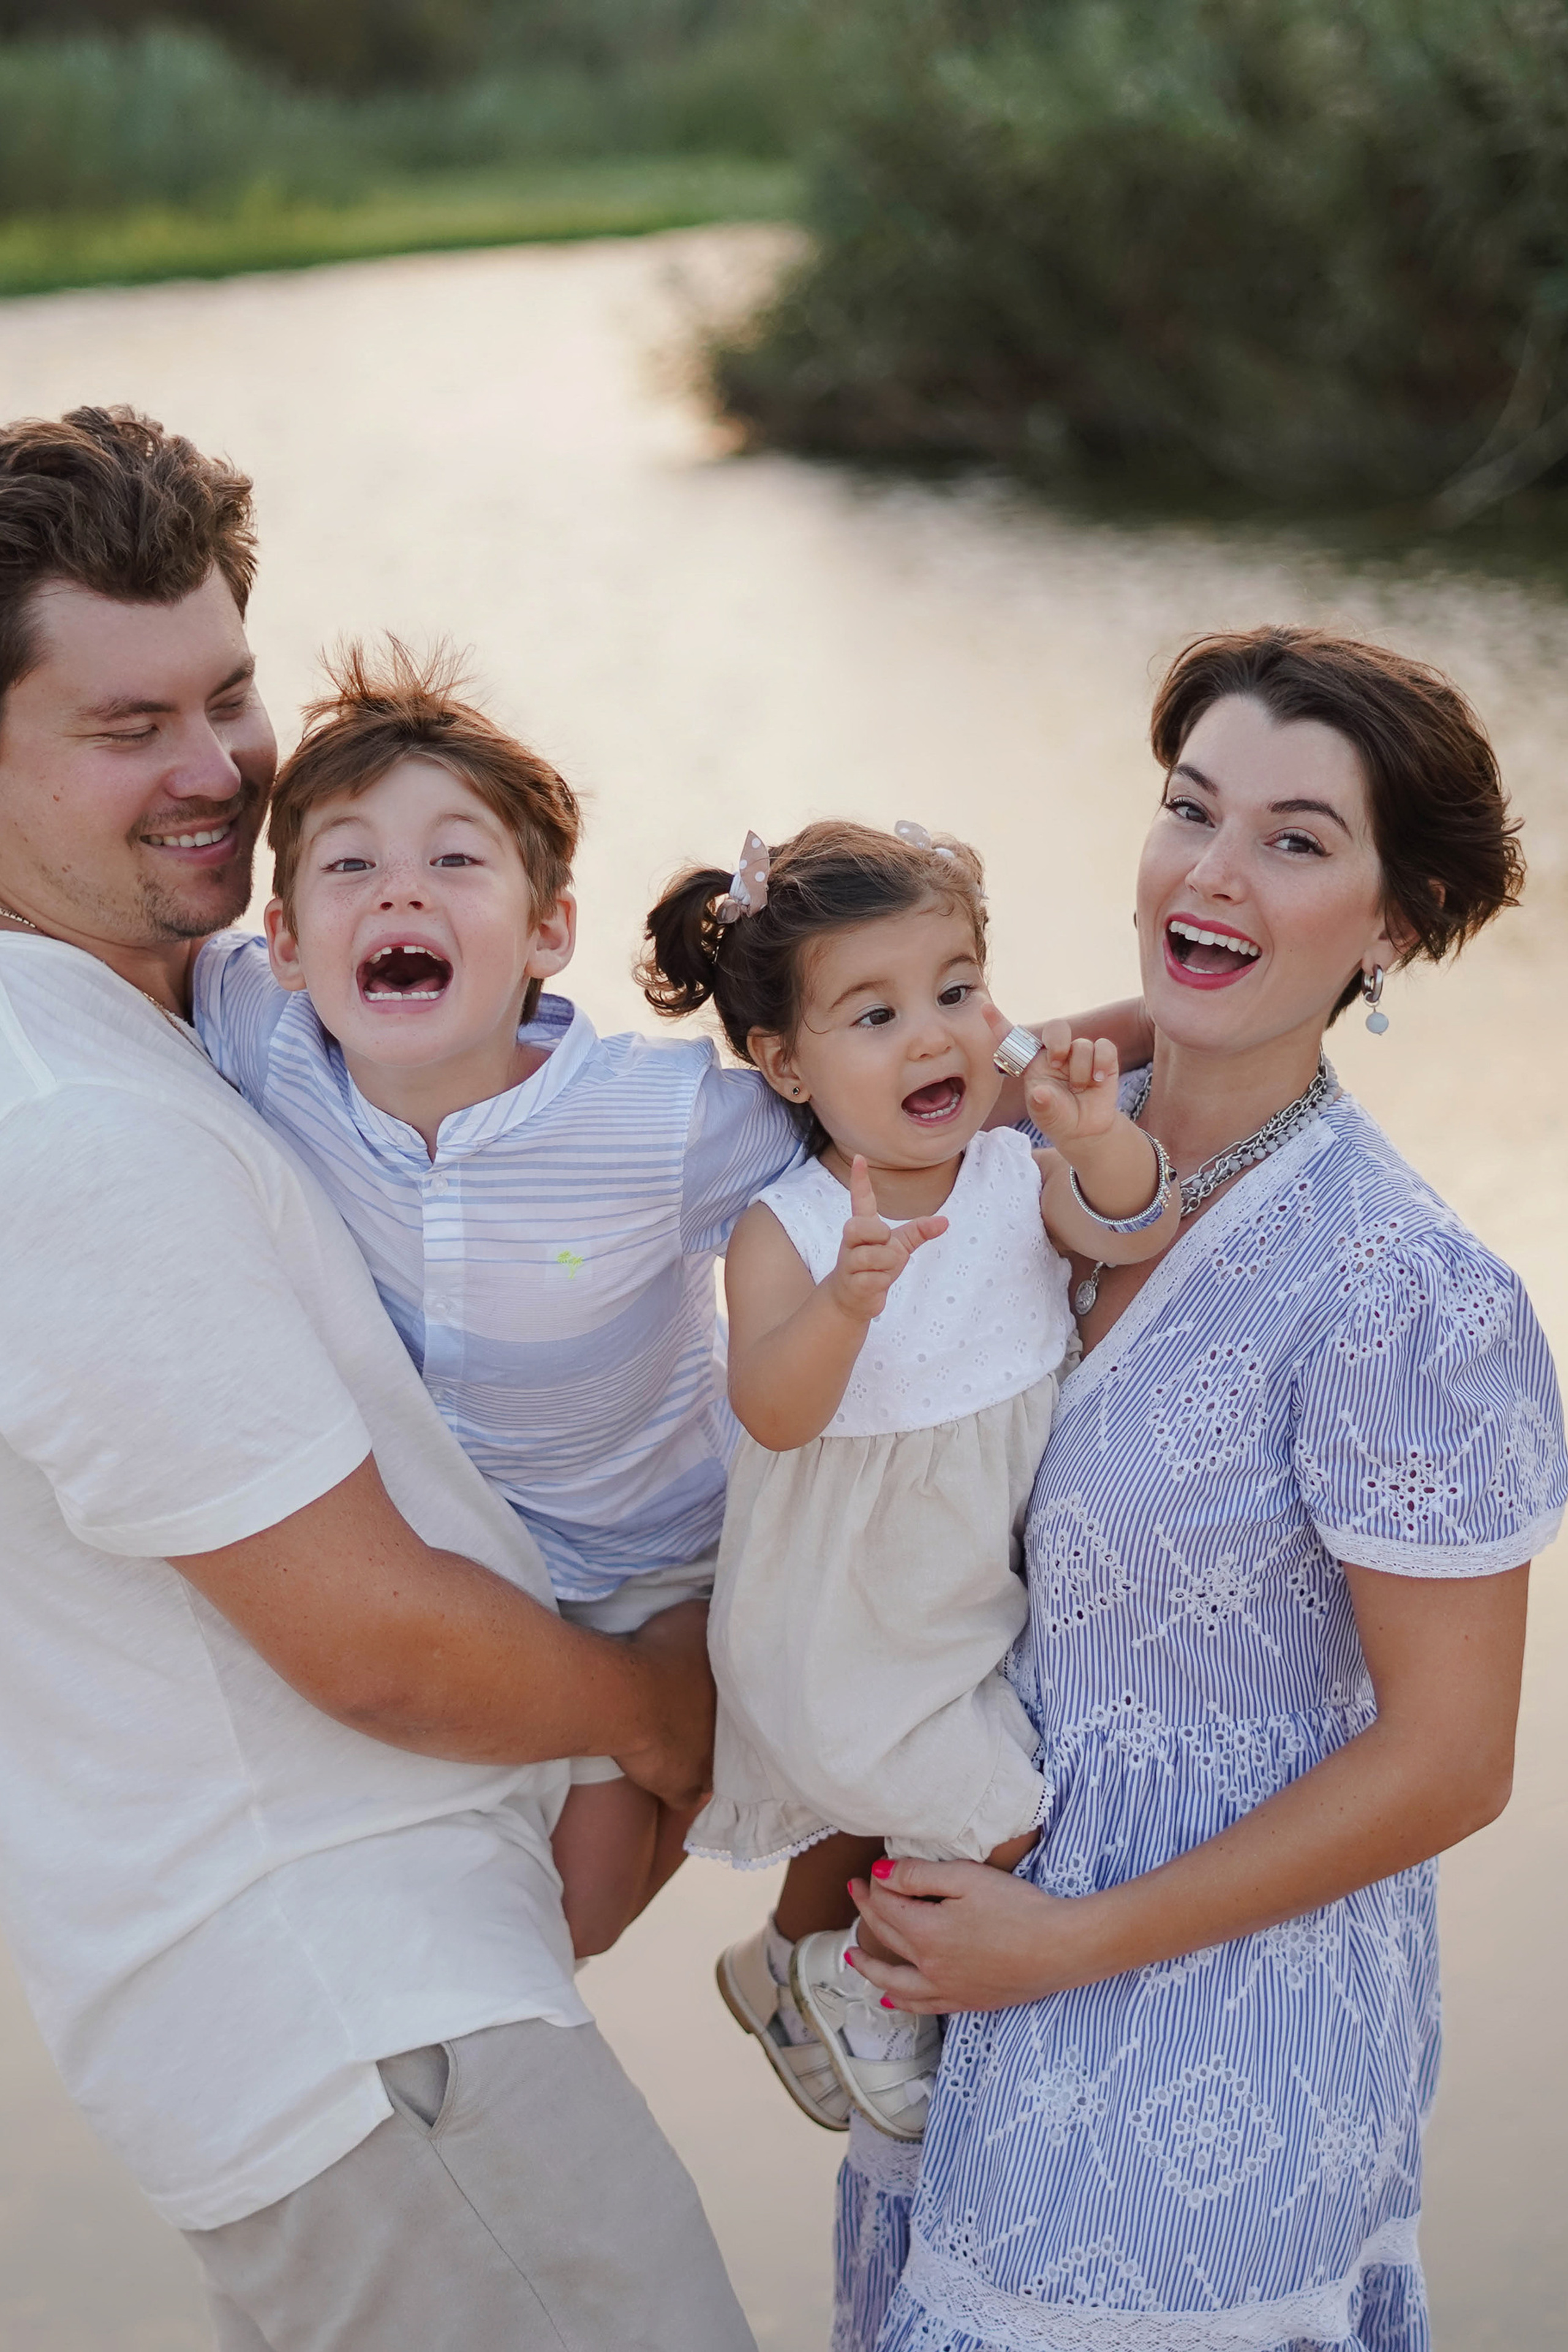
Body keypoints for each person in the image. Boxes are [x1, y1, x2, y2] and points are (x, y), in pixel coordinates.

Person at [0, 405, 754, 2352]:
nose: (215, 773)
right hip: (363, 2037)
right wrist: (669, 1717)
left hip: (372, 2016)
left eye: (227, 695)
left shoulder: (182, 1031)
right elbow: (376, 1644)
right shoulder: (67, 1115)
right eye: (124, 729)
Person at [831, 627, 1567, 2352]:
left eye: (1297, 841)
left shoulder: (1403, 1290)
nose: (1211, 873)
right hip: (961, 2032)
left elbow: (1453, 1760)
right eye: (1189, 809)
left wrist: (1074, 1944)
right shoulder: (1019, 1151)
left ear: (1395, 924)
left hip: (1211, 2074)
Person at [191, 641, 807, 1959]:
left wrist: (1080, 1081)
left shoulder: (662, 1122)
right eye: (350, 865)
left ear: (547, 931)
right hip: (485, 1575)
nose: (399, 889)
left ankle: (798, 1951)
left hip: (669, 1550)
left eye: (455, 861)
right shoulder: (261, 1042)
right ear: (287, 942)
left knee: (656, 1839)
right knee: (559, 1911)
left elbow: (872, 1118)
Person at [638, 820, 1178, 2141]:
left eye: (953, 991)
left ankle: (783, 1965)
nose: (930, 1036)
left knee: (915, 1795)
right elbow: (771, 1411)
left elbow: (1137, 1223)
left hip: (956, 1600)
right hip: (840, 1619)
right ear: (785, 1063)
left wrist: (1097, 1129)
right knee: (997, 1822)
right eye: (872, 1015)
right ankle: (857, 1977)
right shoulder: (794, 1228)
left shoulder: (1011, 1163)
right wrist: (841, 1309)